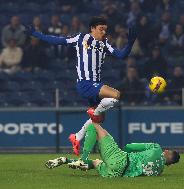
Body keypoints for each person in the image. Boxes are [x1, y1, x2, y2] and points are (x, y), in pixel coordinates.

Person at [25, 16, 137, 155]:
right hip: (85, 83)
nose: (103, 32)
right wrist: (36, 34)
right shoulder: (80, 38)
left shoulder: (104, 44)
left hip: (95, 85)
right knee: (116, 95)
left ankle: (77, 137)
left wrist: (130, 42)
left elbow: (121, 55)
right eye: (101, 29)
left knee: (98, 120)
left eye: (105, 30)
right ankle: (93, 113)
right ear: (92, 28)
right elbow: (58, 40)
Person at [45, 122, 180, 177]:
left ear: (167, 152)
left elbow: (129, 147)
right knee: (97, 163)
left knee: (93, 125)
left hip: (121, 159)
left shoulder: (157, 148)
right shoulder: (159, 172)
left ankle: (83, 158)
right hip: (116, 174)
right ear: (169, 164)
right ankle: (64, 160)